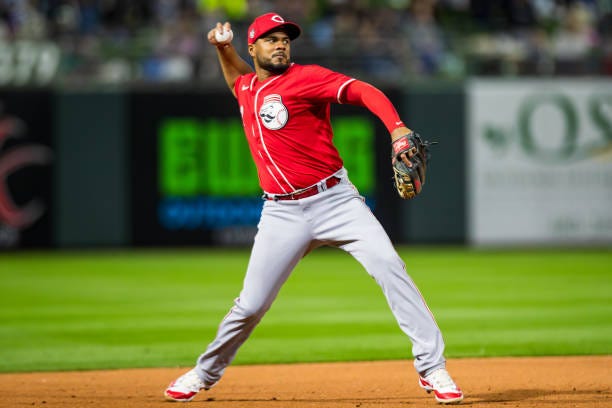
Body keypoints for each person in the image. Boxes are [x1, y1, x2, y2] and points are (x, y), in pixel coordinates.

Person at [164, 12, 464, 405]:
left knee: (390, 267)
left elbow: (364, 92)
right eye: (271, 39)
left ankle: (433, 368)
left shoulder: (307, 78)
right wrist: (223, 48)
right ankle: (204, 372)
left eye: (285, 38)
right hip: (281, 214)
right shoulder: (248, 88)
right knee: (251, 304)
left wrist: (396, 127)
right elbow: (238, 78)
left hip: (336, 200)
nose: (281, 43)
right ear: (252, 48)